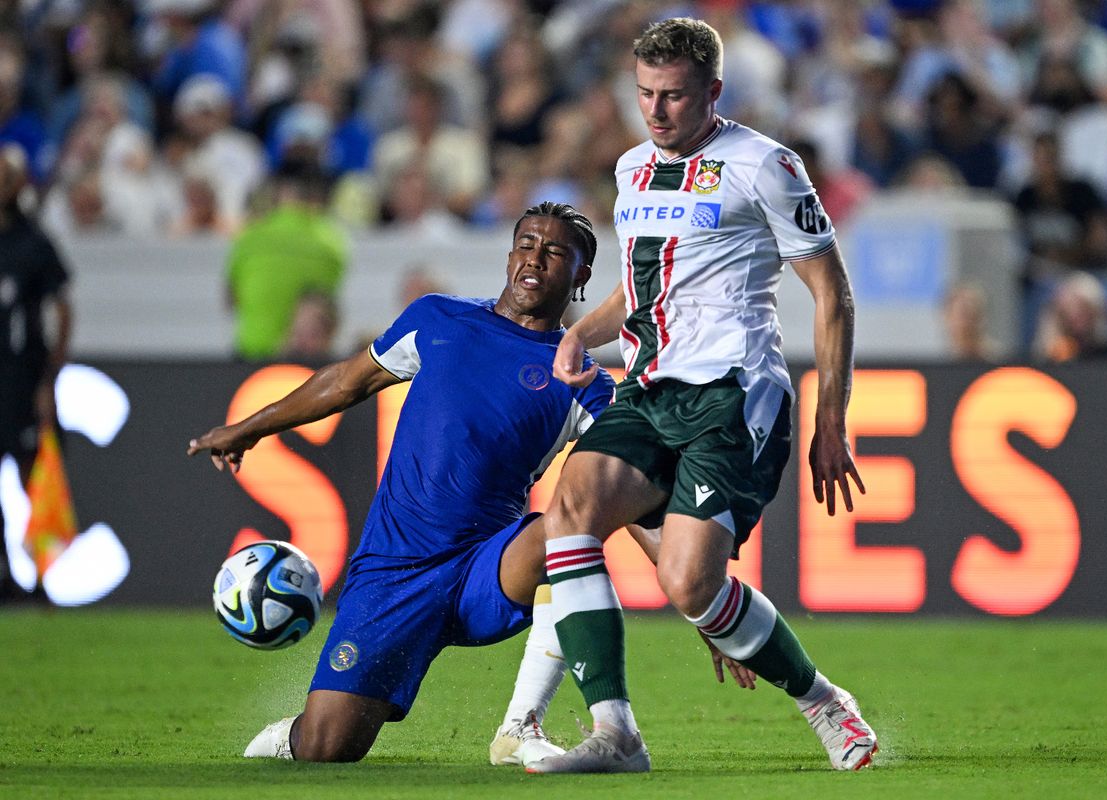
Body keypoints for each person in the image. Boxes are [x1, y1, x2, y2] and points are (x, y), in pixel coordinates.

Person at [188, 202, 744, 764]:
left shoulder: (584, 381)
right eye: (527, 244)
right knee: (328, 750)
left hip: (485, 567)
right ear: (509, 255)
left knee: (565, 536)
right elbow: (344, 383)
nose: (535, 259)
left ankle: (520, 726)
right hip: (393, 574)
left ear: (581, 277)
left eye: (555, 252)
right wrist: (249, 428)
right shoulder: (438, 319)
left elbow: (631, 501)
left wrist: (699, 599)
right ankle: (298, 735)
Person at [526, 18, 877, 775]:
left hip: (733, 393)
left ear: (713, 92)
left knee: (688, 584)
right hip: (649, 389)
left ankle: (821, 699)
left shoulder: (765, 165)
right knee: (570, 509)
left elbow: (832, 293)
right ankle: (615, 733)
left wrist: (831, 421)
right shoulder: (630, 170)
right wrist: (578, 333)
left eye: (674, 97)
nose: (656, 112)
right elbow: (643, 285)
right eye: (645, 93)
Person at [0, 144, 72, 602]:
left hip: (22, 378)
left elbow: (61, 307)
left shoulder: (34, 242)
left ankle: (43, 576)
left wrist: (50, 377)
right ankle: (5, 572)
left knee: (36, 477)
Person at [226, 163, 345, 361]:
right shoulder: (332, 242)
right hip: (309, 362)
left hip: (251, 353)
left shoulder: (250, 237)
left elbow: (231, 299)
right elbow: (328, 300)